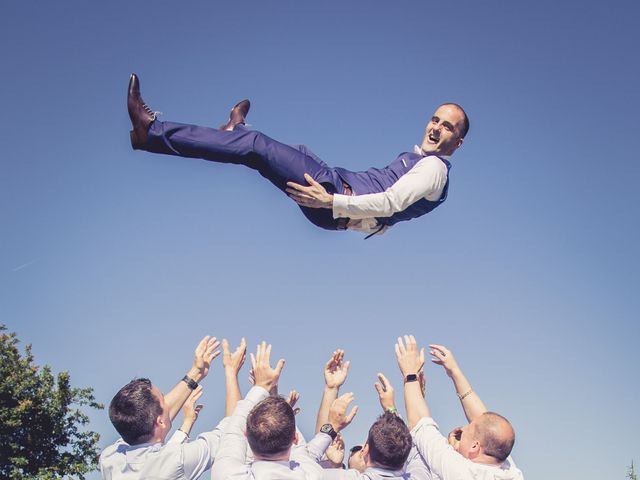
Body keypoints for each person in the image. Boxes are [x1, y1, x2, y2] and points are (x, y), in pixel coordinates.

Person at [127, 74, 469, 237]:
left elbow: (392, 204)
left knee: (257, 148)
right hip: (335, 189)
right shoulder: (419, 161)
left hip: (333, 195)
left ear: (458, 141)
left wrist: (333, 203)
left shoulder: (435, 169)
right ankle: (237, 130)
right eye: (435, 119)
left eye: (448, 126)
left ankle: (152, 132)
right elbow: (388, 222)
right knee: (265, 153)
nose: (437, 127)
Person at [211, 341, 358, 480]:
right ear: (295, 438)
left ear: (246, 435)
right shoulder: (311, 474)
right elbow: (307, 453)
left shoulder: (228, 475)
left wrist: (261, 387)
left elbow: (233, 429)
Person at [394, 336, 524, 480]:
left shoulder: (461, 472)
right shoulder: (508, 470)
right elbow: (485, 423)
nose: (460, 429)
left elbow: (420, 424)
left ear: (475, 447)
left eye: (466, 430)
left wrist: (410, 374)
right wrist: (454, 372)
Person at [99, 335, 226, 480]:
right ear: (159, 421)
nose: (168, 402)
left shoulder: (109, 459)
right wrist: (252, 384)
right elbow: (228, 433)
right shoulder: (178, 461)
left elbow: (147, 418)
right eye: (164, 399)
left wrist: (196, 373)